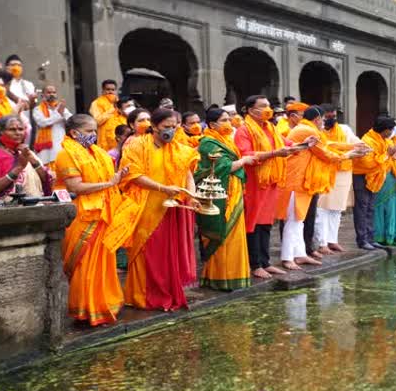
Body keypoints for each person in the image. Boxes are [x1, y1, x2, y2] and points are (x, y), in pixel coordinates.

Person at [114, 108, 200, 311]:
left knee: (170, 253)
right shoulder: (137, 145)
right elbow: (134, 175)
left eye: (174, 126)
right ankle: (143, 297)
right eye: (166, 127)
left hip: (174, 206)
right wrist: (163, 188)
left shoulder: (180, 148)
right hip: (146, 205)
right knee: (149, 251)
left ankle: (168, 293)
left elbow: (188, 175)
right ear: (153, 126)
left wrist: (192, 195)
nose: (170, 130)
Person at [54, 114, 128, 325]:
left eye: (95, 131)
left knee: (104, 263)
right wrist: (109, 184)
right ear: (74, 133)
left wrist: (117, 179)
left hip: (102, 211)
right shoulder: (66, 154)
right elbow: (75, 187)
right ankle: (86, 310)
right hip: (81, 213)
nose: (93, 135)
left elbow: (108, 179)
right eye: (88, 131)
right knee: (85, 265)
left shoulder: (97, 153)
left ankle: (106, 303)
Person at [278, 106, 358, 268]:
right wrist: (348, 156)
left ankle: (299, 254)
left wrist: (352, 147)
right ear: (317, 119)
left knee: (298, 221)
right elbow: (325, 153)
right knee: (293, 220)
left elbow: (328, 144)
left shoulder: (307, 128)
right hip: (295, 181)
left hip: (301, 181)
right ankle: (287, 258)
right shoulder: (308, 130)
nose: (324, 122)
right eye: (323, 119)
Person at [234, 95, 301, 279]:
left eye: (268, 106)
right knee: (253, 223)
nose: (268, 109)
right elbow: (246, 154)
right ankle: (255, 264)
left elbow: (285, 143)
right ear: (250, 110)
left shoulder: (270, 127)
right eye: (263, 106)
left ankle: (265, 262)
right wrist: (274, 153)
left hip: (270, 181)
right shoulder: (244, 130)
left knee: (266, 222)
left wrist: (301, 145)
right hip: (254, 182)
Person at [195, 108, 257, 290]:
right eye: (224, 120)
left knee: (235, 236)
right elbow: (225, 166)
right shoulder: (208, 143)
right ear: (212, 124)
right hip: (219, 195)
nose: (228, 122)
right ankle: (219, 277)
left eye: (229, 119)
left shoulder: (225, 140)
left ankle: (235, 276)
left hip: (233, 191)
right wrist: (244, 161)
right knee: (223, 234)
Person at [314, 106, 363, 254]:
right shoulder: (317, 131)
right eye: (328, 116)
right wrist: (350, 148)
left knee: (336, 209)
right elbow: (328, 146)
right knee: (321, 209)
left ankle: (332, 240)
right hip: (324, 172)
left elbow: (356, 142)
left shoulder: (344, 129)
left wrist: (363, 147)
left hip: (342, 172)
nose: (331, 119)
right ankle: (321, 243)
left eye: (333, 116)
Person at [352, 116, 396, 250]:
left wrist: (395, 154)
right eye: (390, 130)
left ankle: (370, 238)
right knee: (362, 208)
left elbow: (387, 158)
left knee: (370, 208)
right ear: (384, 130)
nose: (391, 133)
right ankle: (362, 240)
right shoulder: (368, 140)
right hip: (362, 176)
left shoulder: (383, 140)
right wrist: (387, 155)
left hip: (375, 177)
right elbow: (368, 163)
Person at [0, 114, 51, 199]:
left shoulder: (29, 153)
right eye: (12, 129)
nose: (18, 133)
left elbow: (46, 181)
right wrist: (18, 168)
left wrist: (33, 160)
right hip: (7, 209)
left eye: (21, 129)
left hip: (35, 206)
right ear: (0, 132)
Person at [32, 84, 71, 165]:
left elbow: (71, 120)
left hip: (60, 143)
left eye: (54, 92)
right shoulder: (37, 109)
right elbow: (43, 123)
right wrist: (59, 114)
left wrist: (61, 112)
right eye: (49, 92)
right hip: (45, 149)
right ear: (43, 95)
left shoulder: (61, 108)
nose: (52, 94)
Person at [89, 79, 123, 151]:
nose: (110, 92)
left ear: (116, 91)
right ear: (103, 90)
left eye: (113, 90)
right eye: (108, 89)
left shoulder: (121, 103)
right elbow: (97, 121)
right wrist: (112, 109)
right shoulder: (96, 103)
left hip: (121, 139)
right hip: (104, 142)